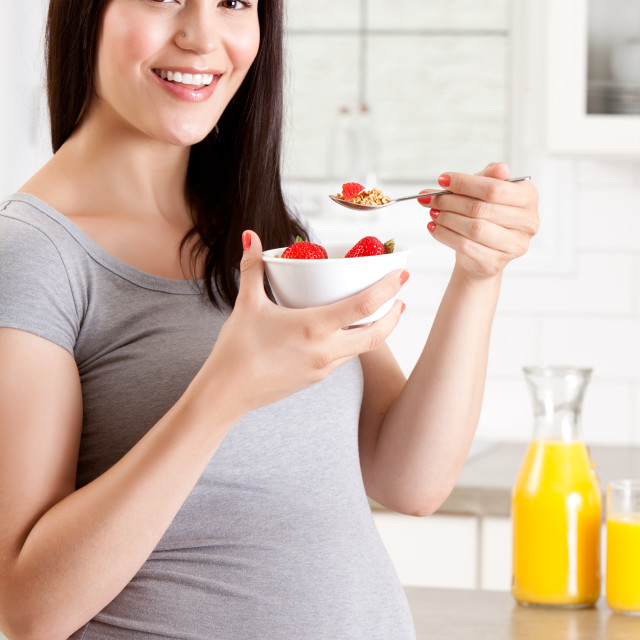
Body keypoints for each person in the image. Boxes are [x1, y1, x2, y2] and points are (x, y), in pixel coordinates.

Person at [0, 0, 539, 638]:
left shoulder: (270, 238)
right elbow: (28, 610)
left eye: (234, 2)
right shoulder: (34, 256)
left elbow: (410, 480)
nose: (202, 37)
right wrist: (223, 393)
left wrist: (477, 275)